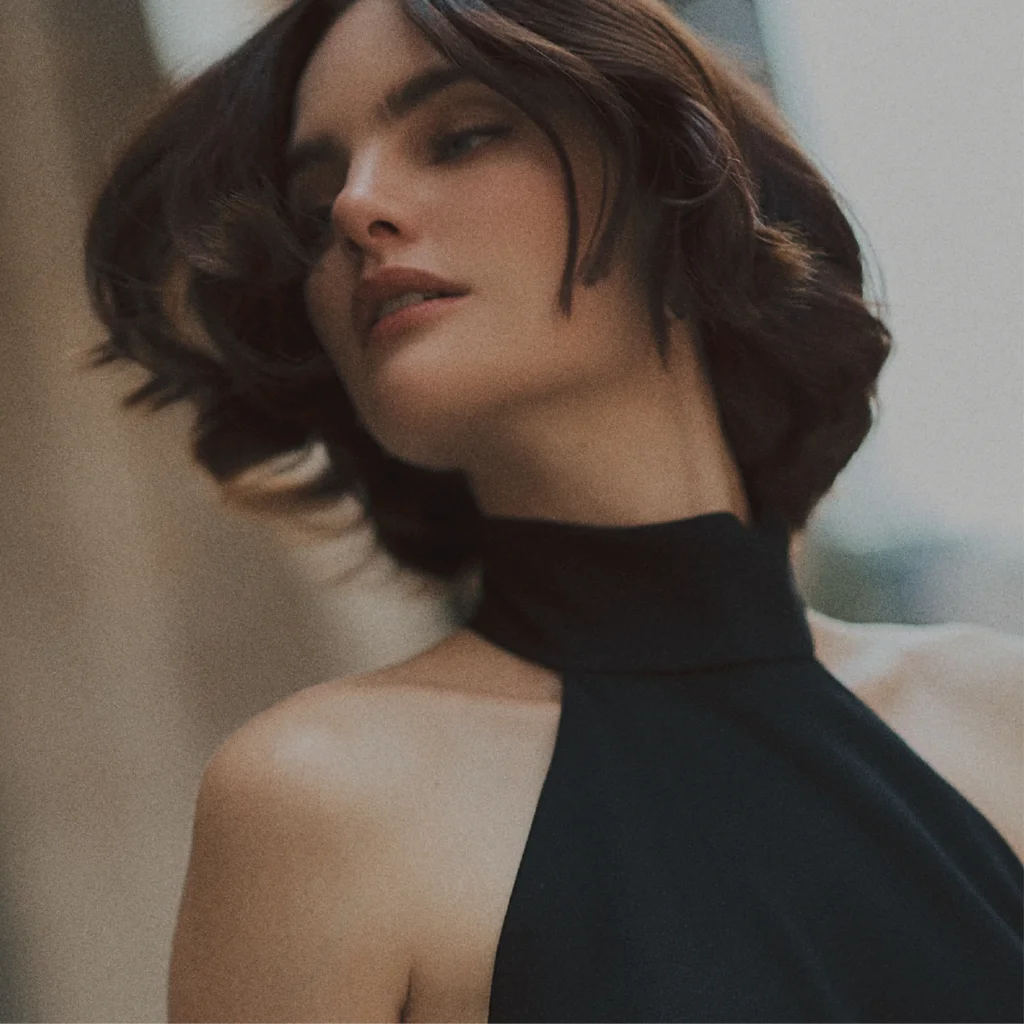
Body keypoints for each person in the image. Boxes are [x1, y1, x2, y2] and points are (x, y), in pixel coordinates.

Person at [84, 0, 1024, 1020]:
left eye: (460, 135)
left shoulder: (994, 709)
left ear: (671, 174)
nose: (357, 206)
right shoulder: (320, 799)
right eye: (315, 206)